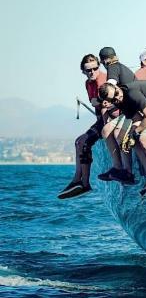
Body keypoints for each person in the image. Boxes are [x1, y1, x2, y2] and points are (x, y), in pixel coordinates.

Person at [58, 54, 108, 199]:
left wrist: (98, 103)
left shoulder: (102, 81)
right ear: (83, 72)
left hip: (108, 119)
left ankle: (83, 183)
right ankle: (77, 180)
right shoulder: (88, 83)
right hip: (100, 119)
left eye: (95, 68)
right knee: (78, 142)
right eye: (88, 70)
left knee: (83, 142)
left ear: (99, 66)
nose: (92, 72)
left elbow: (107, 102)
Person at [97, 46, 137, 184]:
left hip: (134, 109)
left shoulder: (113, 67)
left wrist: (102, 100)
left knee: (119, 133)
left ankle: (128, 172)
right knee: (106, 130)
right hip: (127, 108)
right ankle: (117, 167)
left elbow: (110, 85)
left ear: (104, 61)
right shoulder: (121, 67)